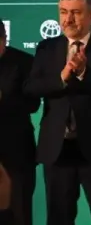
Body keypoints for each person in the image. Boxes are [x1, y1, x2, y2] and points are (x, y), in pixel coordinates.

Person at [25, 0, 91, 225]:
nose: (68, 19)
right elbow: (32, 87)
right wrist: (62, 77)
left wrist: (83, 73)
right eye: (63, 12)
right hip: (57, 150)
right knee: (58, 219)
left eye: (76, 12)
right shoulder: (47, 47)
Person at [0, 13, 40, 225]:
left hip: (17, 152)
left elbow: (33, 104)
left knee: (19, 213)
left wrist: (4, 100)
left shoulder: (24, 62)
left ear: (4, 39)